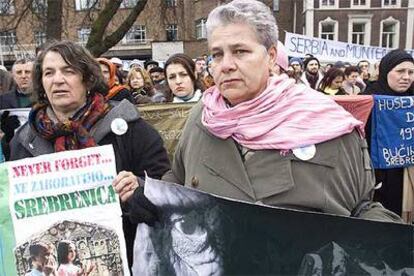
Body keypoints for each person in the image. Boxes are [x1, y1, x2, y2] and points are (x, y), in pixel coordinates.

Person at [126, 0, 401, 230]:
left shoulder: (327, 121)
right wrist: (151, 196)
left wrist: (392, 244)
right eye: (217, 55)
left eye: (240, 51)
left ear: (271, 57)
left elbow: (362, 206)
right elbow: (180, 180)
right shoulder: (203, 118)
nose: (226, 65)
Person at [9, 41, 170, 268]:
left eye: (69, 71)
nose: (58, 79)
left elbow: (168, 188)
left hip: (129, 261)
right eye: (49, 72)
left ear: (87, 79)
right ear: (42, 83)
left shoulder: (129, 128)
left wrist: (140, 189)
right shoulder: (24, 140)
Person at [363, 49, 414, 216]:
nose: (406, 77)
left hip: (408, 175)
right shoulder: (367, 99)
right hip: (378, 176)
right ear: (385, 71)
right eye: (400, 71)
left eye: (411, 72)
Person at [0, 58, 34, 160]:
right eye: (19, 72)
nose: (23, 76)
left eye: (27, 72)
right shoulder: (3, 100)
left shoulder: (46, 97)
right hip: (14, 151)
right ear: (14, 76)